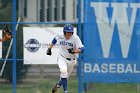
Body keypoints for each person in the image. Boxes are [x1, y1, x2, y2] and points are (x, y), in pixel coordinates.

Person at [46, 24, 84, 93]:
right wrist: (49, 48)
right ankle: (65, 91)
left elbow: (82, 49)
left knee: (65, 77)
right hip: (62, 58)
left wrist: (74, 51)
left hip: (72, 60)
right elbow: (54, 40)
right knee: (63, 71)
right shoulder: (60, 35)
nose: (69, 33)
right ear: (64, 32)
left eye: (70, 32)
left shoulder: (75, 38)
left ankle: (58, 85)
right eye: (67, 32)